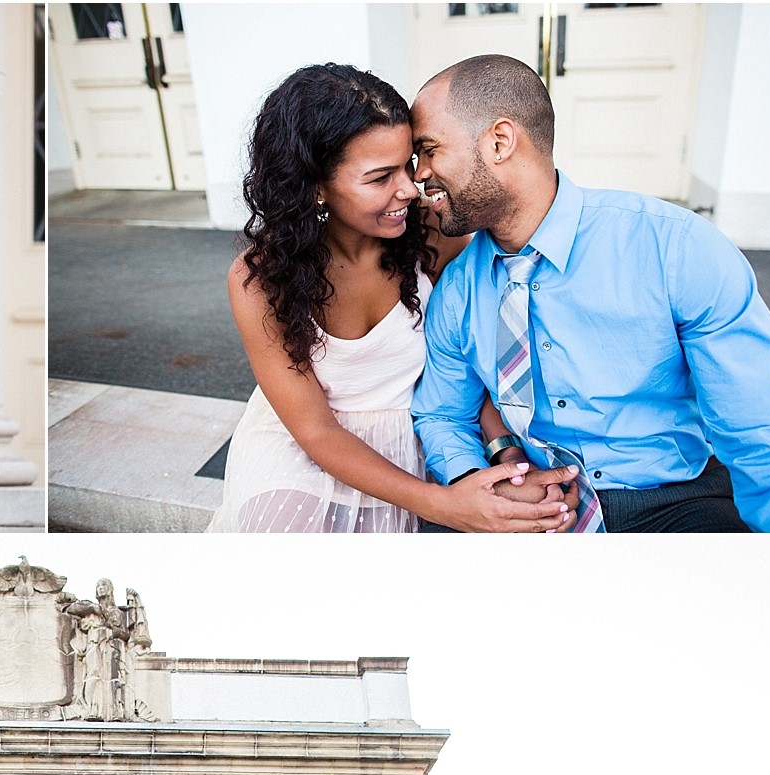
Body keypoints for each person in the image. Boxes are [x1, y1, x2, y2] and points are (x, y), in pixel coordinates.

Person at [411, 55, 770, 533]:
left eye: (429, 150)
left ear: (500, 141)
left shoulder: (674, 249)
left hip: (672, 499)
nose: (419, 175)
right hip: (531, 503)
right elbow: (441, 413)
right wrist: (488, 479)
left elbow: (768, 439)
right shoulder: (457, 291)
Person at [211, 64, 573, 534]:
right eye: (380, 177)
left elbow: (466, 366)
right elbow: (316, 432)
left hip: (419, 436)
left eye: (409, 163)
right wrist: (445, 505)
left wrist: (506, 456)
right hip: (307, 450)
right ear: (316, 186)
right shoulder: (260, 279)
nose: (410, 187)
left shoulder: (434, 235)